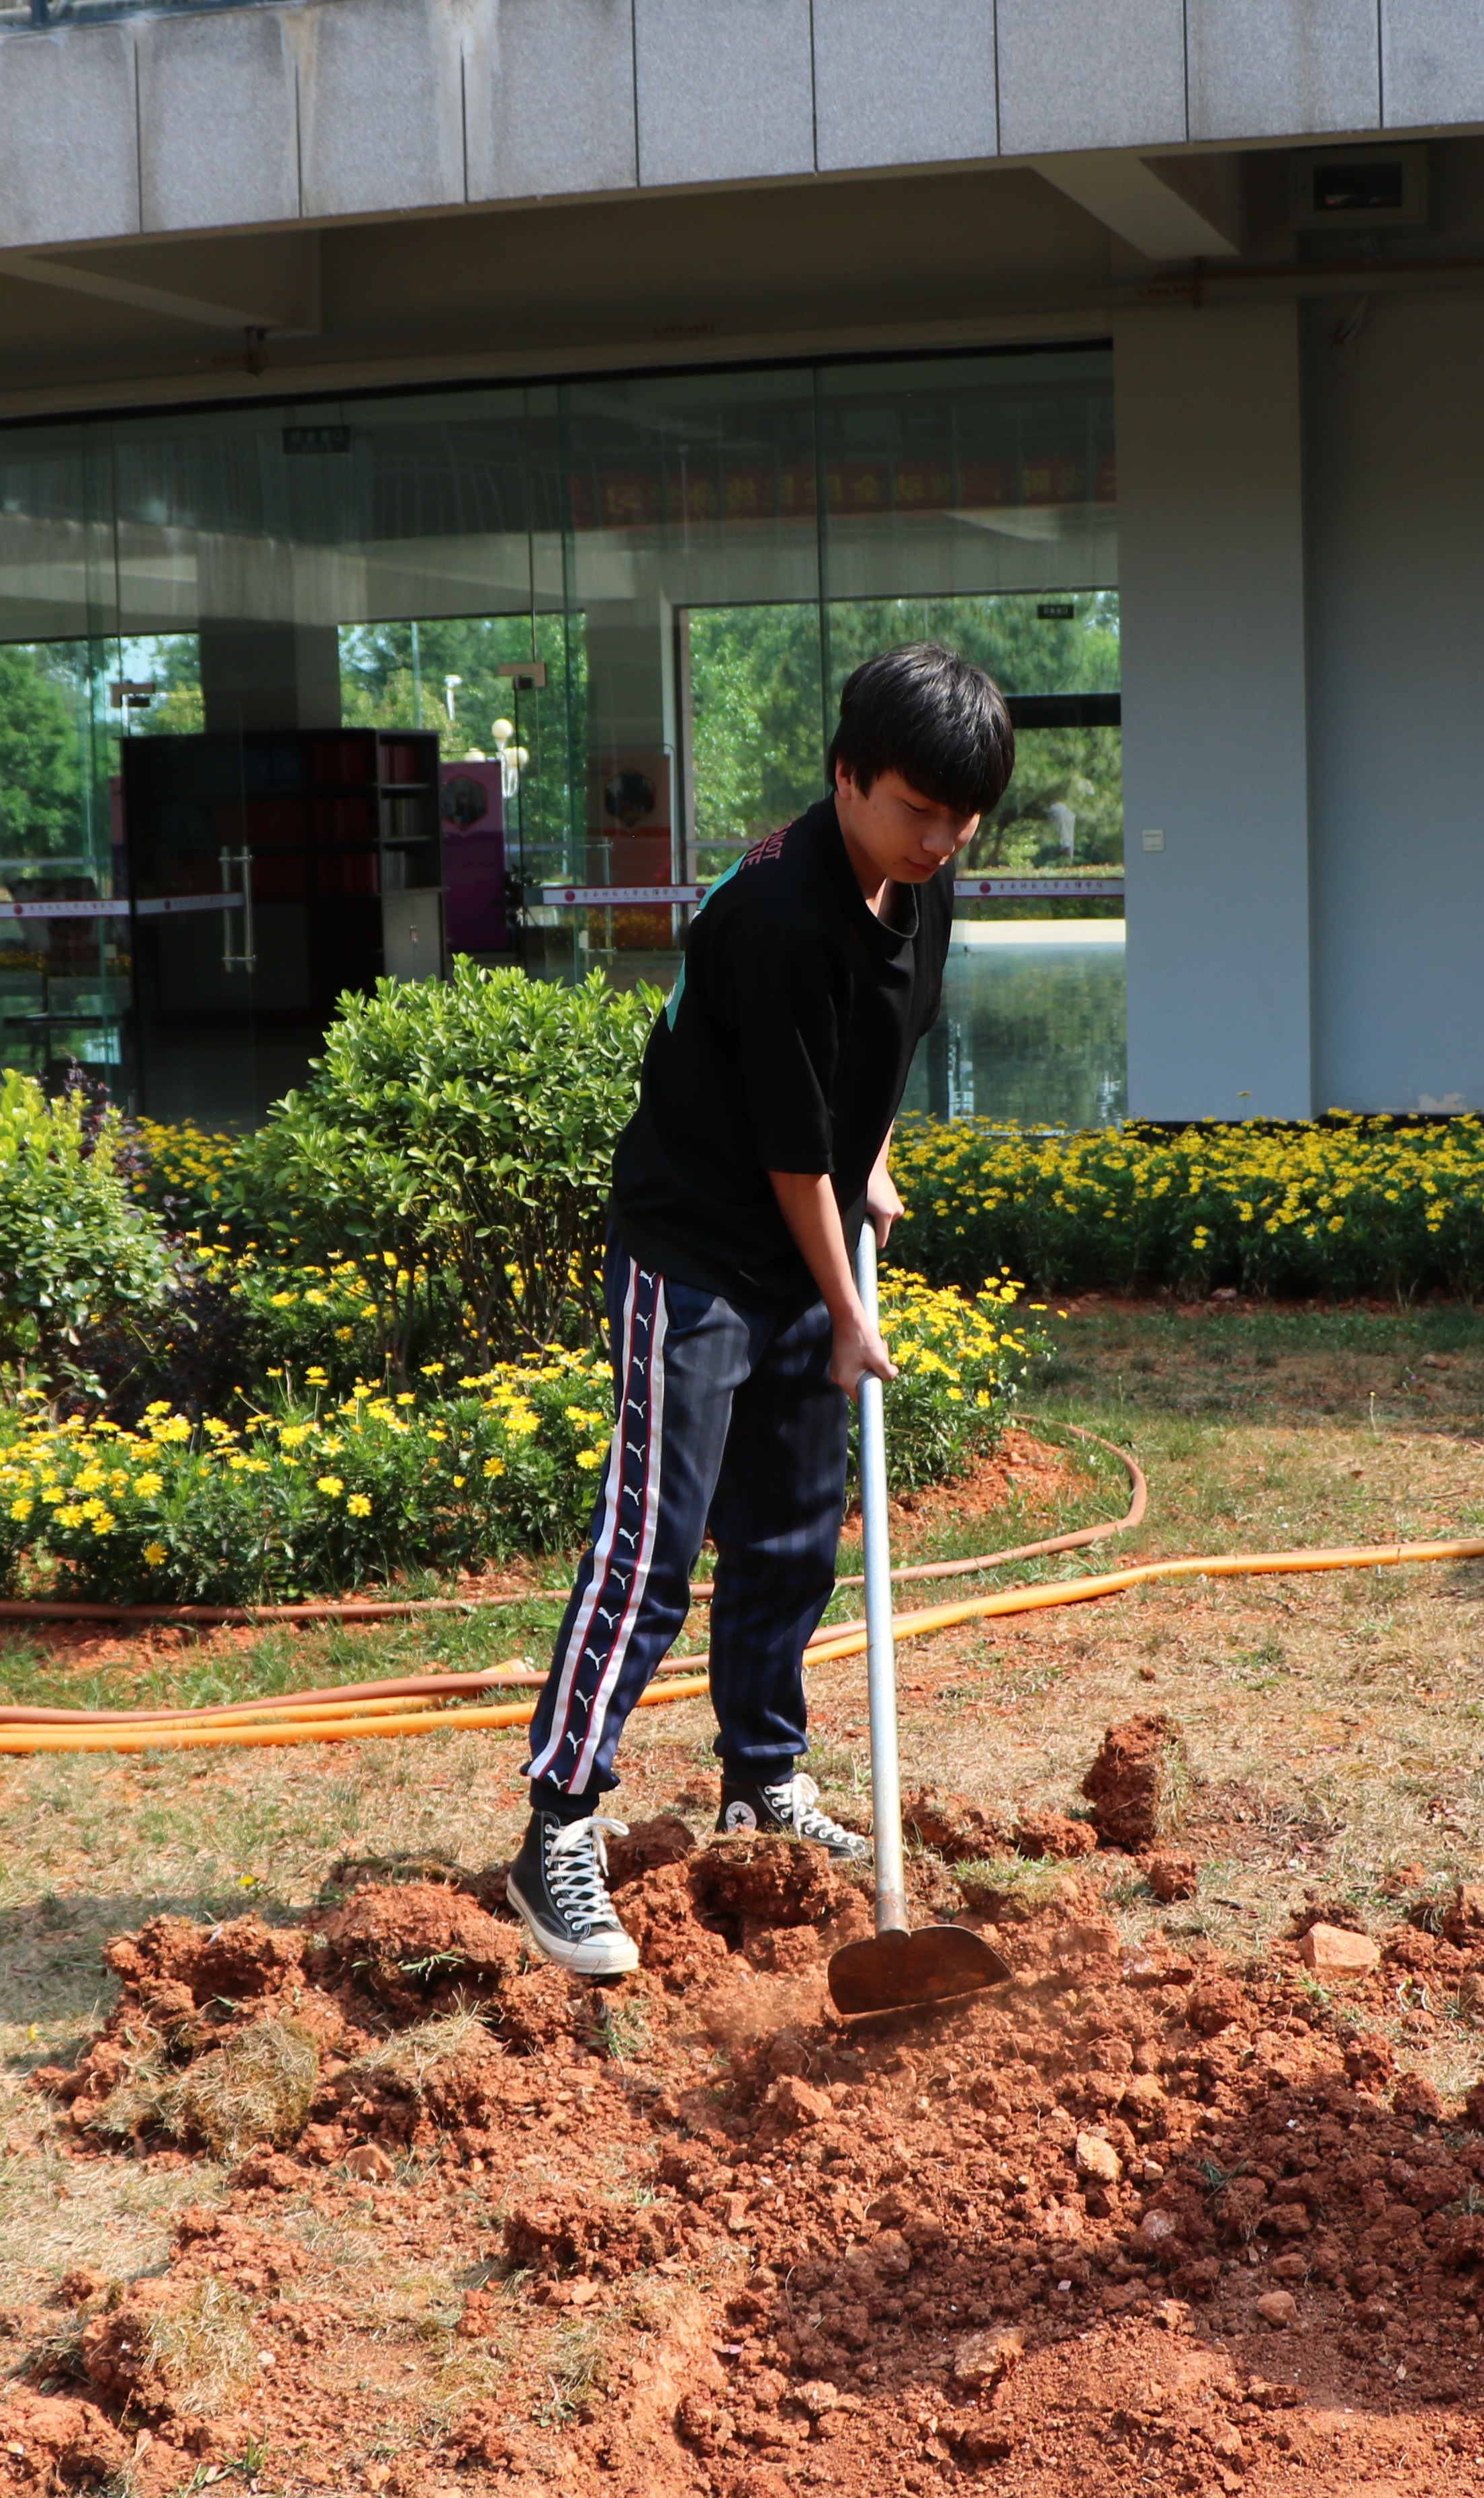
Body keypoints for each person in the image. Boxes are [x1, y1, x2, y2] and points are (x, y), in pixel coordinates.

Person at [503, 644, 1011, 1975]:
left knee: (791, 1532)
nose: (945, 839)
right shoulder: (780, 914)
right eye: (918, 809)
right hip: (702, 1250)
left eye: (964, 819)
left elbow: (882, 1048)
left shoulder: (915, 879)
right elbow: (791, 1155)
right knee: (654, 1541)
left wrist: (877, 1153)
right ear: (846, 776)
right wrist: (850, 1306)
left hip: (802, 1229)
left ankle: (761, 1781)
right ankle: (557, 1825)